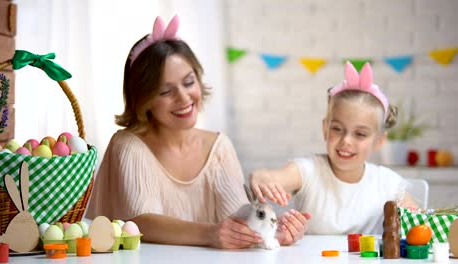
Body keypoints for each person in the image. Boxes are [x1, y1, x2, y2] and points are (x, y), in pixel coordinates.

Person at [86, 15, 309, 249]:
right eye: (165, 91)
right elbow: (140, 222)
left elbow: (238, 220)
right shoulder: (129, 145)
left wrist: (272, 232)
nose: (183, 98)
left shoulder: (219, 147)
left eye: (189, 82)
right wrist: (210, 234)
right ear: (144, 100)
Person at [249, 61, 418, 235]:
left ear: (379, 141)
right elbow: (272, 177)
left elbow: (417, 222)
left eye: (360, 134)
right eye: (337, 129)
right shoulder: (309, 170)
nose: (346, 140)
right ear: (325, 128)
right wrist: (261, 177)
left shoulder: (388, 183)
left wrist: (410, 216)